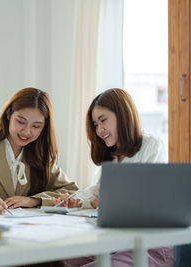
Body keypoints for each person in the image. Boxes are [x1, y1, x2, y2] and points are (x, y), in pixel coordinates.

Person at [53, 88, 175, 267]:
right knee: (60, 259)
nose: (99, 130)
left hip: (149, 243)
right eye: (95, 124)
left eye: (103, 121)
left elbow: (147, 202)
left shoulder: (151, 146)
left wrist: (105, 203)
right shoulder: (113, 156)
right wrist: (76, 200)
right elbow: (97, 191)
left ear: (123, 116)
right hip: (117, 241)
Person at [0, 87, 78, 214]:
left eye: (36, 126)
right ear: (9, 114)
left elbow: (72, 191)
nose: (27, 132)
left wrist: (34, 200)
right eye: (21, 122)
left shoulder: (40, 154)